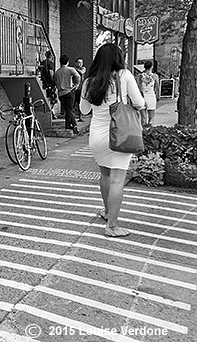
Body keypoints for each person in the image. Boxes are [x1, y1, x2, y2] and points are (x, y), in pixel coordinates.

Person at [80, 43, 145, 237]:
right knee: (117, 180)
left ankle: (107, 212)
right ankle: (112, 226)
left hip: (97, 136)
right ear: (118, 59)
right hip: (120, 134)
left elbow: (84, 111)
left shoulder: (89, 81)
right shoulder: (124, 76)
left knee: (105, 175)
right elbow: (140, 103)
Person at [53, 54, 81, 135]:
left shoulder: (57, 72)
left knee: (67, 110)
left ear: (60, 62)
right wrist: (76, 85)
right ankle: (69, 126)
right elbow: (78, 76)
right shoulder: (70, 69)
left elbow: (54, 80)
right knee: (69, 110)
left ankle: (73, 126)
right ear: (68, 62)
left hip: (61, 93)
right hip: (69, 91)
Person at [135, 60, 159, 126]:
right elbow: (157, 88)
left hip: (142, 96)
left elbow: (136, 87)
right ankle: (149, 130)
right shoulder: (155, 76)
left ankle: (143, 132)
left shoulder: (139, 76)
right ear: (151, 67)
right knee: (151, 117)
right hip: (151, 96)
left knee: (143, 117)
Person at [39, 51, 58, 118]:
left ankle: (52, 112)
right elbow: (51, 73)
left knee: (49, 98)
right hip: (50, 83)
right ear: (51, 56)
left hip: (44, 82)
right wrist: (54, 81)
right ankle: (51, 112)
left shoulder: (42, 63)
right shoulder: (50, 64)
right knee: (53, 99)